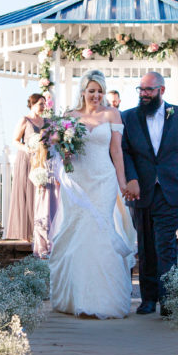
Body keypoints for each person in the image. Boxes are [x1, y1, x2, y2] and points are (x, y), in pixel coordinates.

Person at [50, 70, 135, 318]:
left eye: (100, 91)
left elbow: (117, 152)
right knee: (76, 230)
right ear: (83, 91)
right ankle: (75, 297)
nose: (96, 95)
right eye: (92, 91)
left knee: (101, 229)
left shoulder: (112, 114)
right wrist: (64, 156)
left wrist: (122, 184)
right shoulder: (69, 116)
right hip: (77, 181)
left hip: (104, 179)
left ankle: (104, 299)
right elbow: (61, 152)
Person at [121, 71, 178, 316]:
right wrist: (132, 179)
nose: (144, 94)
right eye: (141, 89)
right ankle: (148, 299)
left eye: (149, 89)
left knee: (166, 246)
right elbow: (124, 152)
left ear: (162, 90)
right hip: (141, 192)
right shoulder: (128, 117)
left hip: (171, 192)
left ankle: (168, 300)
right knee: (146, 247)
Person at [5, 93, 44, 240]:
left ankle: (40, 230)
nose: (43, 107)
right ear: (32, 104)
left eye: (44, 104)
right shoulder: (25, 120)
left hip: (40, 159)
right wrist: (28, 148)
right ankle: (26, 233)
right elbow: (15, 140)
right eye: (40, 104)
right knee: (27, 192)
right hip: (26, 159)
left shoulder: (45, 121)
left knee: (39, 194)